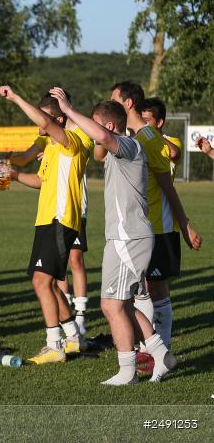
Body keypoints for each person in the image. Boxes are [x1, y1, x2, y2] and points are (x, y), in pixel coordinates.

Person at [50, 89, 177, 384]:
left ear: (108, 126)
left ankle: (127, 371)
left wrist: (69, 109)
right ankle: (160, 353)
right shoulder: (117, 148)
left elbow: (105, 139)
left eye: (96, 124)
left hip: (127, 239)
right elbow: (97, 142)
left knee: (110, 305)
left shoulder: (128, 146)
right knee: (125, 304)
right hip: (126, 238)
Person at [0, 85, 89, 364]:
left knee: (41, 280)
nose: (38, 123)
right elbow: (40, 181)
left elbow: (46, 123)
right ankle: (72, 336)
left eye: (42, 117)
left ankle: (54, 345)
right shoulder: (50, 146)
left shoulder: (75, 138)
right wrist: (13, 173)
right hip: (47, 219)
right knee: (46, 282)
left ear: (59, 119)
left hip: (60, 219)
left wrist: (14, 97)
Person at [108, 82, 201, 351]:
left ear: (127, 103)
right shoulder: (131, 138)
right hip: (134, 228)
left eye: (113, 98)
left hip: (158, 227)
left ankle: (162, 348)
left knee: (157, 291)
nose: (109, 101)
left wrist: (185, 226)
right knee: (136, 290)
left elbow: (168, 185)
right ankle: (148, 345)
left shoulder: (151, 139)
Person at [139, 97, 183, 176]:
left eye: (146, 121)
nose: (142, 124)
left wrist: (148, 133)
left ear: (159, 123)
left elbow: (174, 153)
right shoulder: (138, 139)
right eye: (140, 120)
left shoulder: (173, 141)